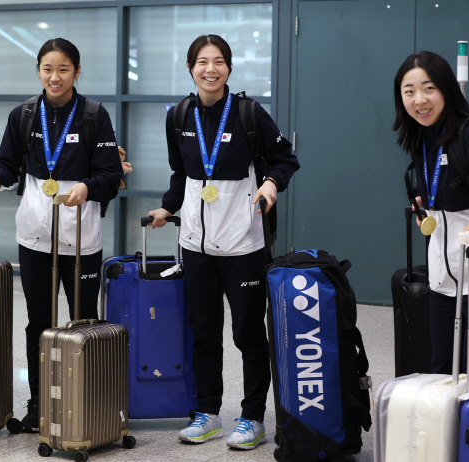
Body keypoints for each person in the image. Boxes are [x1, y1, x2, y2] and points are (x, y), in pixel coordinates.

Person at [147, 35, 299, 450]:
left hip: (244, 243)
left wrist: (269, 185)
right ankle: (208, 413)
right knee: (203, 332)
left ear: (229, 68)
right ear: (190, 68)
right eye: (201, 62)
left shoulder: (249, 113)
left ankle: (252, 417)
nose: (209, 69)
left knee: (249, 333)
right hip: (195, 243)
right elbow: (181, 175)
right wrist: (166, 208)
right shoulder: (178, 115)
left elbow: (286, 159)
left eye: (218, 62)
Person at [0, 38, 123, 433]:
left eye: (63, 69)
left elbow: (111, 174)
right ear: (39, 71)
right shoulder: (23, 115)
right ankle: (39, 402)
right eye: (47, 69)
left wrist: (88, 188)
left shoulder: (93, 115)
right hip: (35, 237)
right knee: (38, 322)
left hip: (82, 238)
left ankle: (86, 402)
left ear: (76, 72)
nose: (55, 77)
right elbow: (7, 165)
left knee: (83, 322)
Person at [393, 50, 469, 374]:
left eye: (429, 88)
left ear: (447, 88)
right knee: (442, 370)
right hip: (443, 278)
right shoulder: (422, 137)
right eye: (409, 91)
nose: (420, 99)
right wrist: (424, 200)